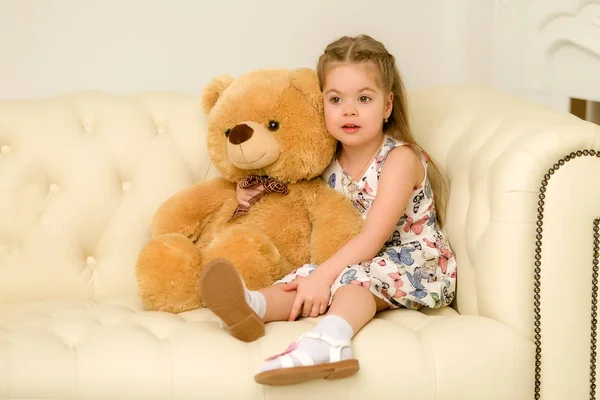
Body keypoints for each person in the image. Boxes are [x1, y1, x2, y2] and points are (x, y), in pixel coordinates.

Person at [198, 34, 457, 386]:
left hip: (415, 261)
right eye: (336, 99)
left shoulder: (399, 160)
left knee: (350, 280)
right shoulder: (325, 160)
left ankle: (331, 340)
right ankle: (251, 305)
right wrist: (313, 276)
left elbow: (371, 239)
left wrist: (324, 277)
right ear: (322, 104)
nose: (349, 110)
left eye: (364, 98)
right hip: (355, 257)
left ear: (387, 105)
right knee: (304, 276)